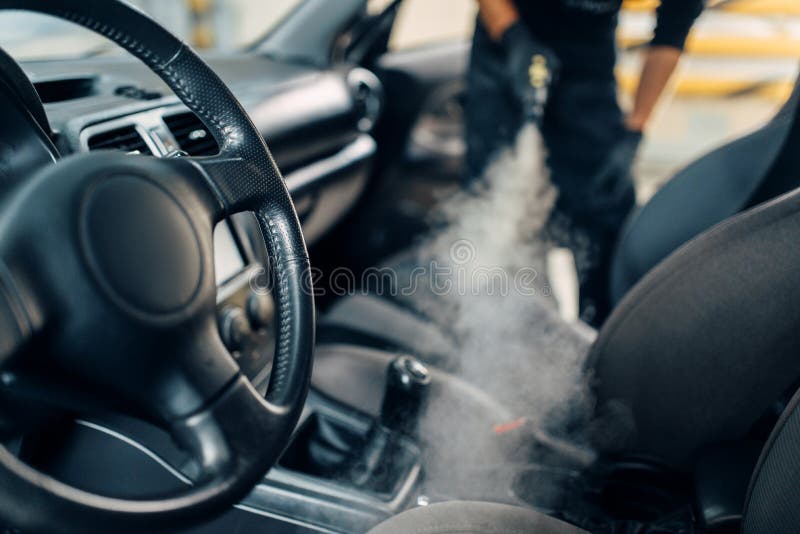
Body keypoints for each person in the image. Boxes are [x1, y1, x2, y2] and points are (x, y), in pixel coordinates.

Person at [466, 0, 705, 326]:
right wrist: (514, 37)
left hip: (588, 63)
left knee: (608, 213)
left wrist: (635, 129)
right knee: (502, 216)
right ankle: (509, 331)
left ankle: (603, 337)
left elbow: (674, 26)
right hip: (505, 52)